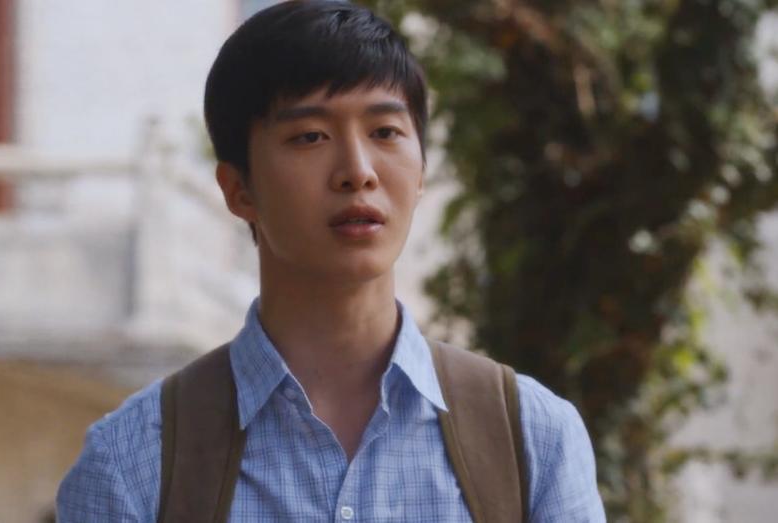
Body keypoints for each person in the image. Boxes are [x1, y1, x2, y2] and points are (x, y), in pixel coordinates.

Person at [56, 1, 606, 521]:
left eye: (385, 132)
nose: (358, 171)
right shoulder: (133, 462)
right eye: (310, 136)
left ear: (420, 172)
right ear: (238, 189)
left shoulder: (532, 439)